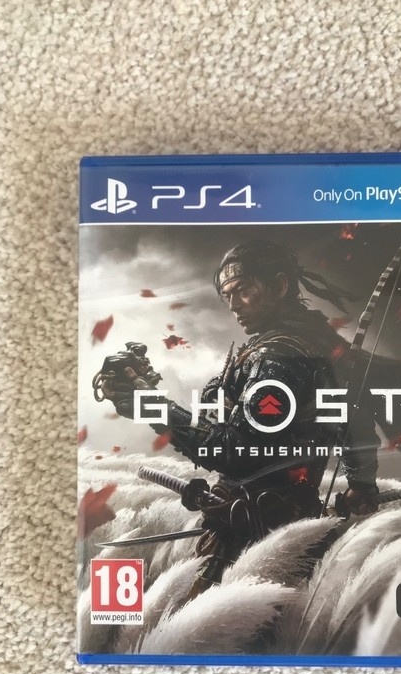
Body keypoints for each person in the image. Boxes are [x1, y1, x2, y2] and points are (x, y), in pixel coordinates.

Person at [99, 240, 380, 587]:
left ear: (279, 286)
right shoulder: (315, 345)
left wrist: (150, 405)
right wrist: (361, 484)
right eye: (227, 295)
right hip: (277, 524)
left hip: (253, 535)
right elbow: (355, 422)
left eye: (243, 291)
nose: (233, 305)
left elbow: (235, 451)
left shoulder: (277, 358)